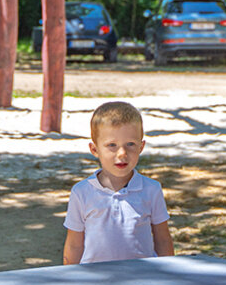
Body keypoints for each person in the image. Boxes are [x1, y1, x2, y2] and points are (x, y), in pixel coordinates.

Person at [63, 101, 174, 265]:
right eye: (112, 145)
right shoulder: (81, 192)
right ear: (95, 150)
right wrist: (69, 281)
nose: (122, 154)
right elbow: (74, 245)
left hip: (142, 277)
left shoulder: (152, 189)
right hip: (94, 280)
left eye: (130, 144)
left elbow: (163, 240)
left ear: (141, 146)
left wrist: (169, 275)